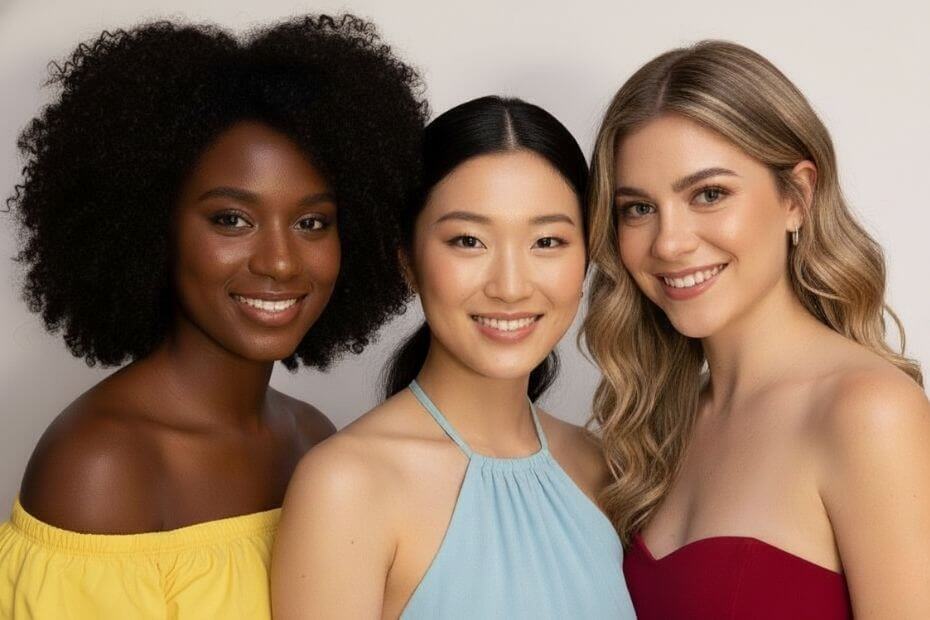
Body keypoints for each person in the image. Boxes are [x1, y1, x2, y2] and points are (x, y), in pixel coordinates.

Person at [0, 15, 426, 619]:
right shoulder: (102, 468)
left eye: (312, 223)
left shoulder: (312, 439)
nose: (280, 262)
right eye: (231, 219)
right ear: (151, 228)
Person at [585, 40, 930, 619]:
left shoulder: (867, 412)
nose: (669, 242)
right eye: (637, 209)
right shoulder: (658, 429)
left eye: (709, 194)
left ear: (797, 197)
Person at [272, 96, 636, 619]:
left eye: (547, 241)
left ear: (586, 260)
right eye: (468, 240)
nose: (510, 286)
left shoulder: (602, 468)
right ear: (409, 262)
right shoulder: (346, 484)